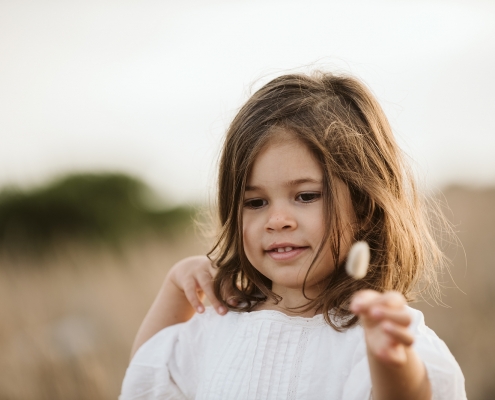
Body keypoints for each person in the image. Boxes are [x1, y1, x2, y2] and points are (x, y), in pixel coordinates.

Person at [120, 72, 466, 399]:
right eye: (255, 202)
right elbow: (147, 381)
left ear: (363, 206)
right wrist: (174, 290)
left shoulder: (378, 336)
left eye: (306, 196)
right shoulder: (219, 326)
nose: (277, 220)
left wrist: (391, 361)